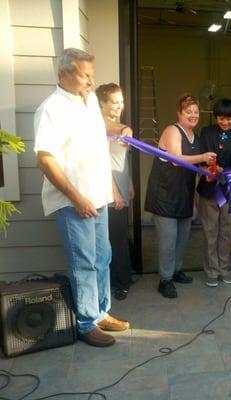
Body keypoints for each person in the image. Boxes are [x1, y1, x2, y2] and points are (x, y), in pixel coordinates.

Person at [34, 48, 129, 347]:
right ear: (64, 74)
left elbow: (101, 131)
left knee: (103, 257)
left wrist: (123, 130)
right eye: (85, 75)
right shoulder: (51, 109)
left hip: (98, 196)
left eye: (92, 74)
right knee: (84, 262)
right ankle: (87, 323)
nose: (91, 81)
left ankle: (101, 313)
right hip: (73, 202)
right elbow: (45, 159)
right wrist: (76, 197)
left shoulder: (86, 102)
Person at [144, 94, 216, 298]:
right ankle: (165, 279)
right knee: (168, 240)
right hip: (165, 195)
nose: (193, 115)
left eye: (196, 112)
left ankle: (175, 271)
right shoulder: (172, 130)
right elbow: (176, 160)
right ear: (179, 113)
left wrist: (195, 194)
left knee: (182, 239)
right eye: (188, 112)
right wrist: (203, 157)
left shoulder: (196, 137)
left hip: (184, 195)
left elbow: (196, 169)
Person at [197, 98, 231, 287]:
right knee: (210, 232)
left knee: (226, 232)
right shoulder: (206, 132)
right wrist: (208, 166)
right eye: (221, 118)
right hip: (208, 190)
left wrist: (222, 170)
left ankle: (224, 270)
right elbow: (201, 157)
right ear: (215, 117)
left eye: (229, 119)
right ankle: (211, 271)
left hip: (229, 191)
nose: (225, 122)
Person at [95, 83, 135, 301]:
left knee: (119, 236)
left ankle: (123, 277)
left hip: (120, 189)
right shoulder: (99, 126)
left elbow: (120, 160)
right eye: (115, 102)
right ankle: (119, 283)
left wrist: (128, 182)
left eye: (122, 101)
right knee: (115, 240)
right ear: (102, 104)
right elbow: (102, 163)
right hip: (108, 193)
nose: (120, 105)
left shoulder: (118, 126)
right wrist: (114, 193)